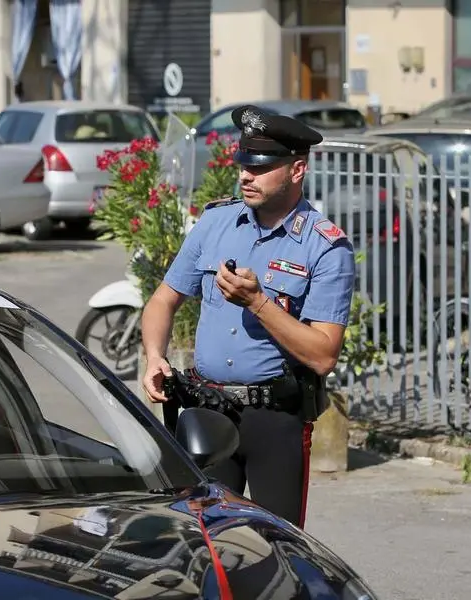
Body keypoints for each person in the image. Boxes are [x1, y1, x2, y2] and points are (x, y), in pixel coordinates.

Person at [140, 104, 356, 528]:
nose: (245, 175)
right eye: (243, 163)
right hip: (207, 410)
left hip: (274, 419)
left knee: (277, 548)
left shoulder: (325, 247)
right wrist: (153, 356)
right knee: (205, 543)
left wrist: (258, 303)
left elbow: (323, 354)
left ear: (296, 171)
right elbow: (163, 300)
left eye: (260, 166)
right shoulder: (215, 223)